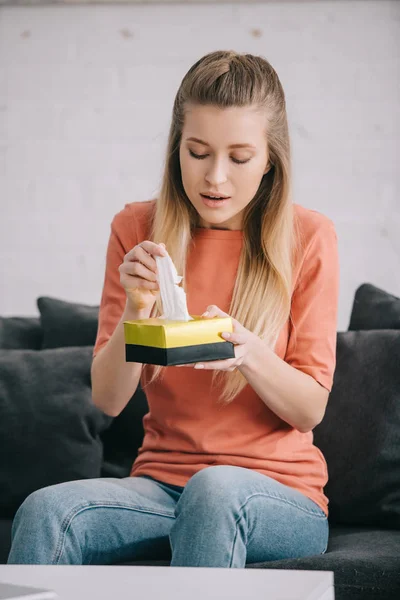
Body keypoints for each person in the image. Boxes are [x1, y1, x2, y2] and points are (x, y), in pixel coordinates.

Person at [8, 50, 339, 567]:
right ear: (176, 149)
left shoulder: (308, 237)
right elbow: (108, 399)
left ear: (270, 158)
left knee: (215, 491)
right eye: (198, 151)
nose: (215, 178)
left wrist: (247, 351)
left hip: (277, 493)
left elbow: (309, 408)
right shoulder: (137, 229)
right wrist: (137, 310)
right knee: (49, 510)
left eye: (239, 157)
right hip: (161, 485)